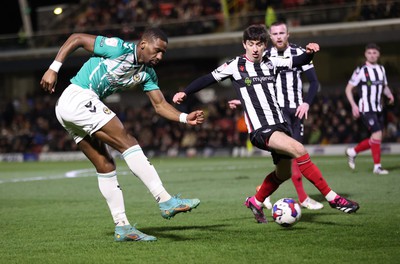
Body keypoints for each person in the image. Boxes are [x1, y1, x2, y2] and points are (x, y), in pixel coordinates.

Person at [173, 24, 359, 224]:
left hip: (280, 125)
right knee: (299, 148)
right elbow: (208, 78)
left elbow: (298, 61)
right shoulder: (236, 65)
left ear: (264, 46)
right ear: (244, 44)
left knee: (284, 173)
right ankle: (333, 198)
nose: (255, 48)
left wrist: (309, 53)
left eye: (259, 44)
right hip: (261, 129)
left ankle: (256, 200)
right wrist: (186, 92)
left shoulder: (272, 61)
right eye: (251, 44)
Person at [40, 28, 204, 242]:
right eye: (157, 51)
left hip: (72, 108)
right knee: (128, 141)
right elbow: (77, 38)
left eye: (163, 53)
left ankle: (123, 227)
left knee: (105, 165)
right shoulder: (118, 48)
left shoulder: (147, 73)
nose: (160, 56)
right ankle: (165, 200)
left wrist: (184, 118)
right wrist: (54, 68)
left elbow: (160, 105)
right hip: (78, 97)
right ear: (143, 44)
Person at [345, 43, 394, 174]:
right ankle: (377, 167)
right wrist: (354, 105)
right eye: (369, 53)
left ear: (378, 55)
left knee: (377, 137)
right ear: (365, 54)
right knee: (377, 134)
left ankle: (353, 151)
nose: (372, 55)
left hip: (378, 108)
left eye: (374, 53)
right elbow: (348, 89)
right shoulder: (361, 70)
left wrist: (389, 95)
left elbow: (384, 86)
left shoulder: (381, 69)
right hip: (366, 108)